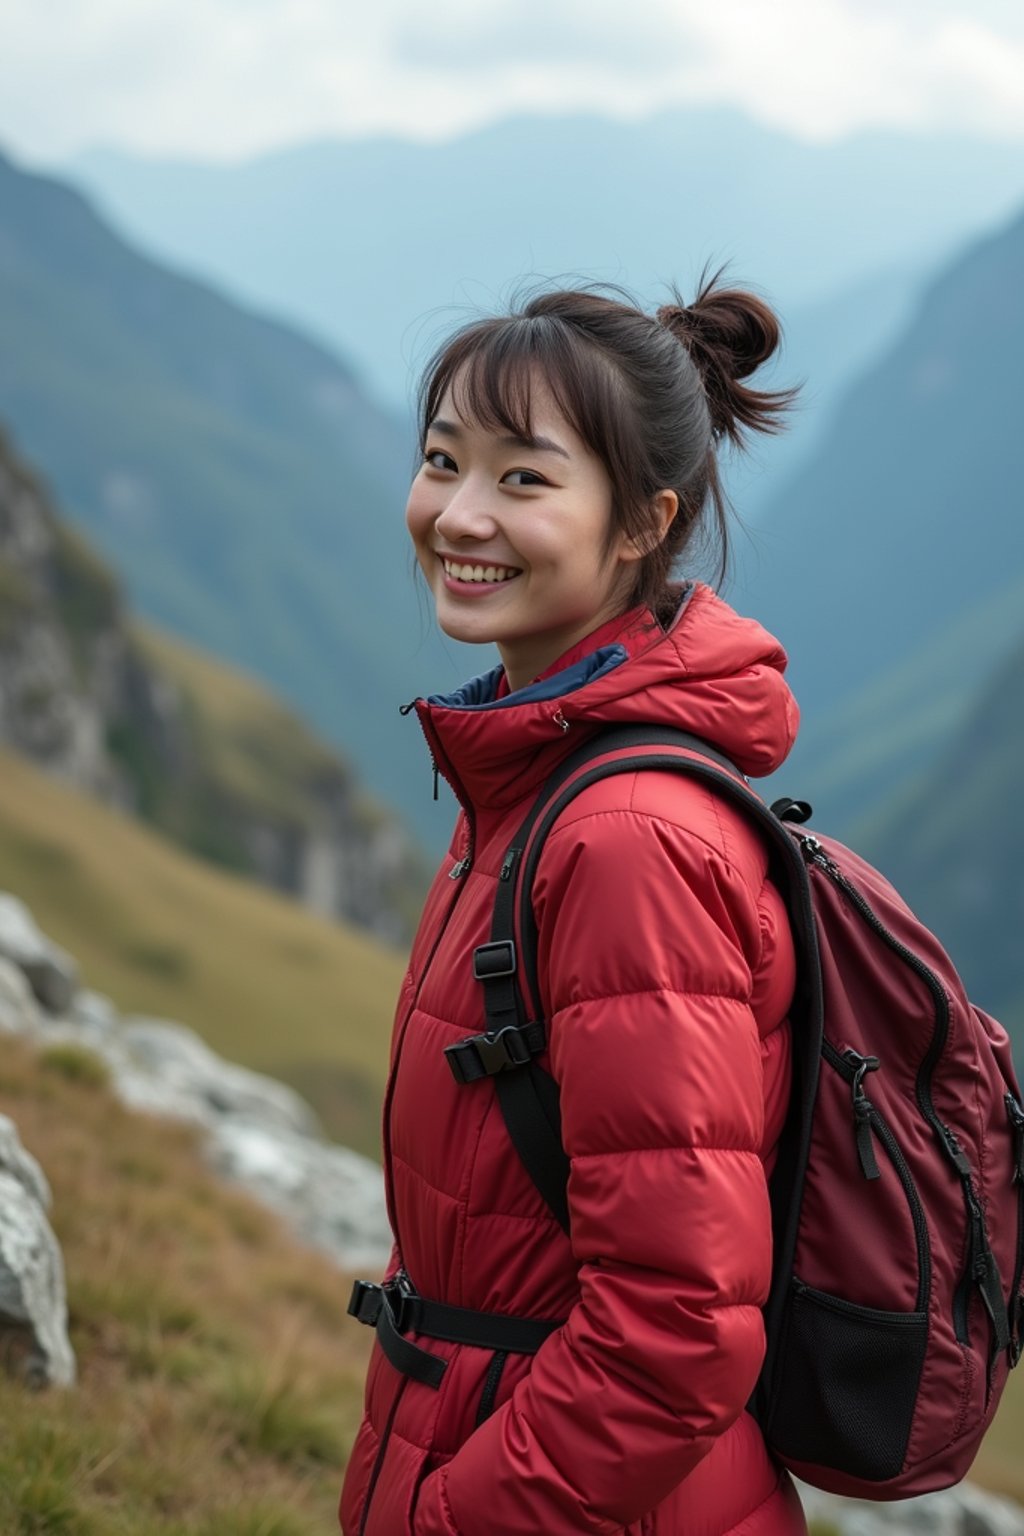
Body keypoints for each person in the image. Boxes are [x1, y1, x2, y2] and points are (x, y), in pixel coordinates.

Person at [340, 272, 808, 1536]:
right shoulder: (530, 774)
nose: (460, 515)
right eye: (443, 460)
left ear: (640, 524)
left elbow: (675, 1333)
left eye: (525, 479)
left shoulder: (622, 842)